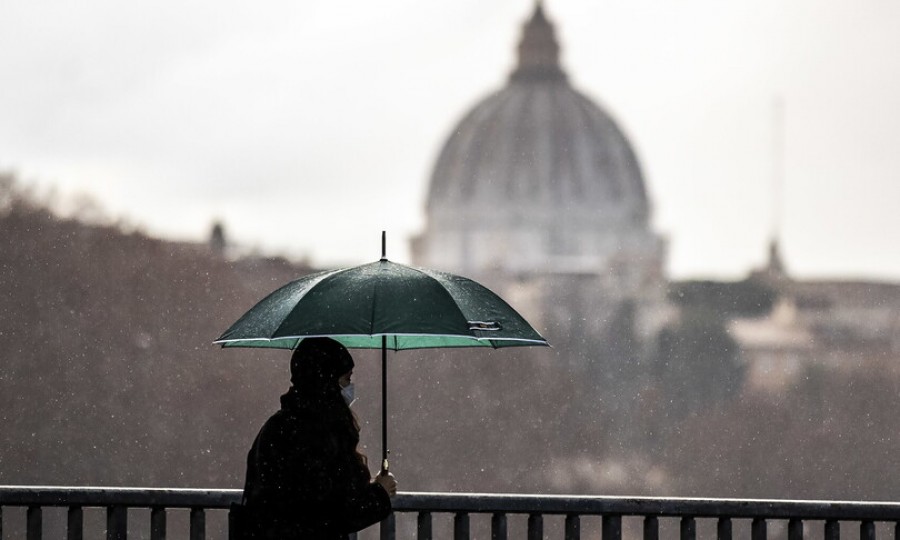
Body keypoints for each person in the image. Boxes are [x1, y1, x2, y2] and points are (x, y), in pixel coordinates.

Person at [240, 337, 397, 539]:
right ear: (327, 381)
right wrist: (380, 493)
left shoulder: (276, 427)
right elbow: (334, 511)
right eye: (346, 379)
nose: (350, 388)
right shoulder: (320, 435)